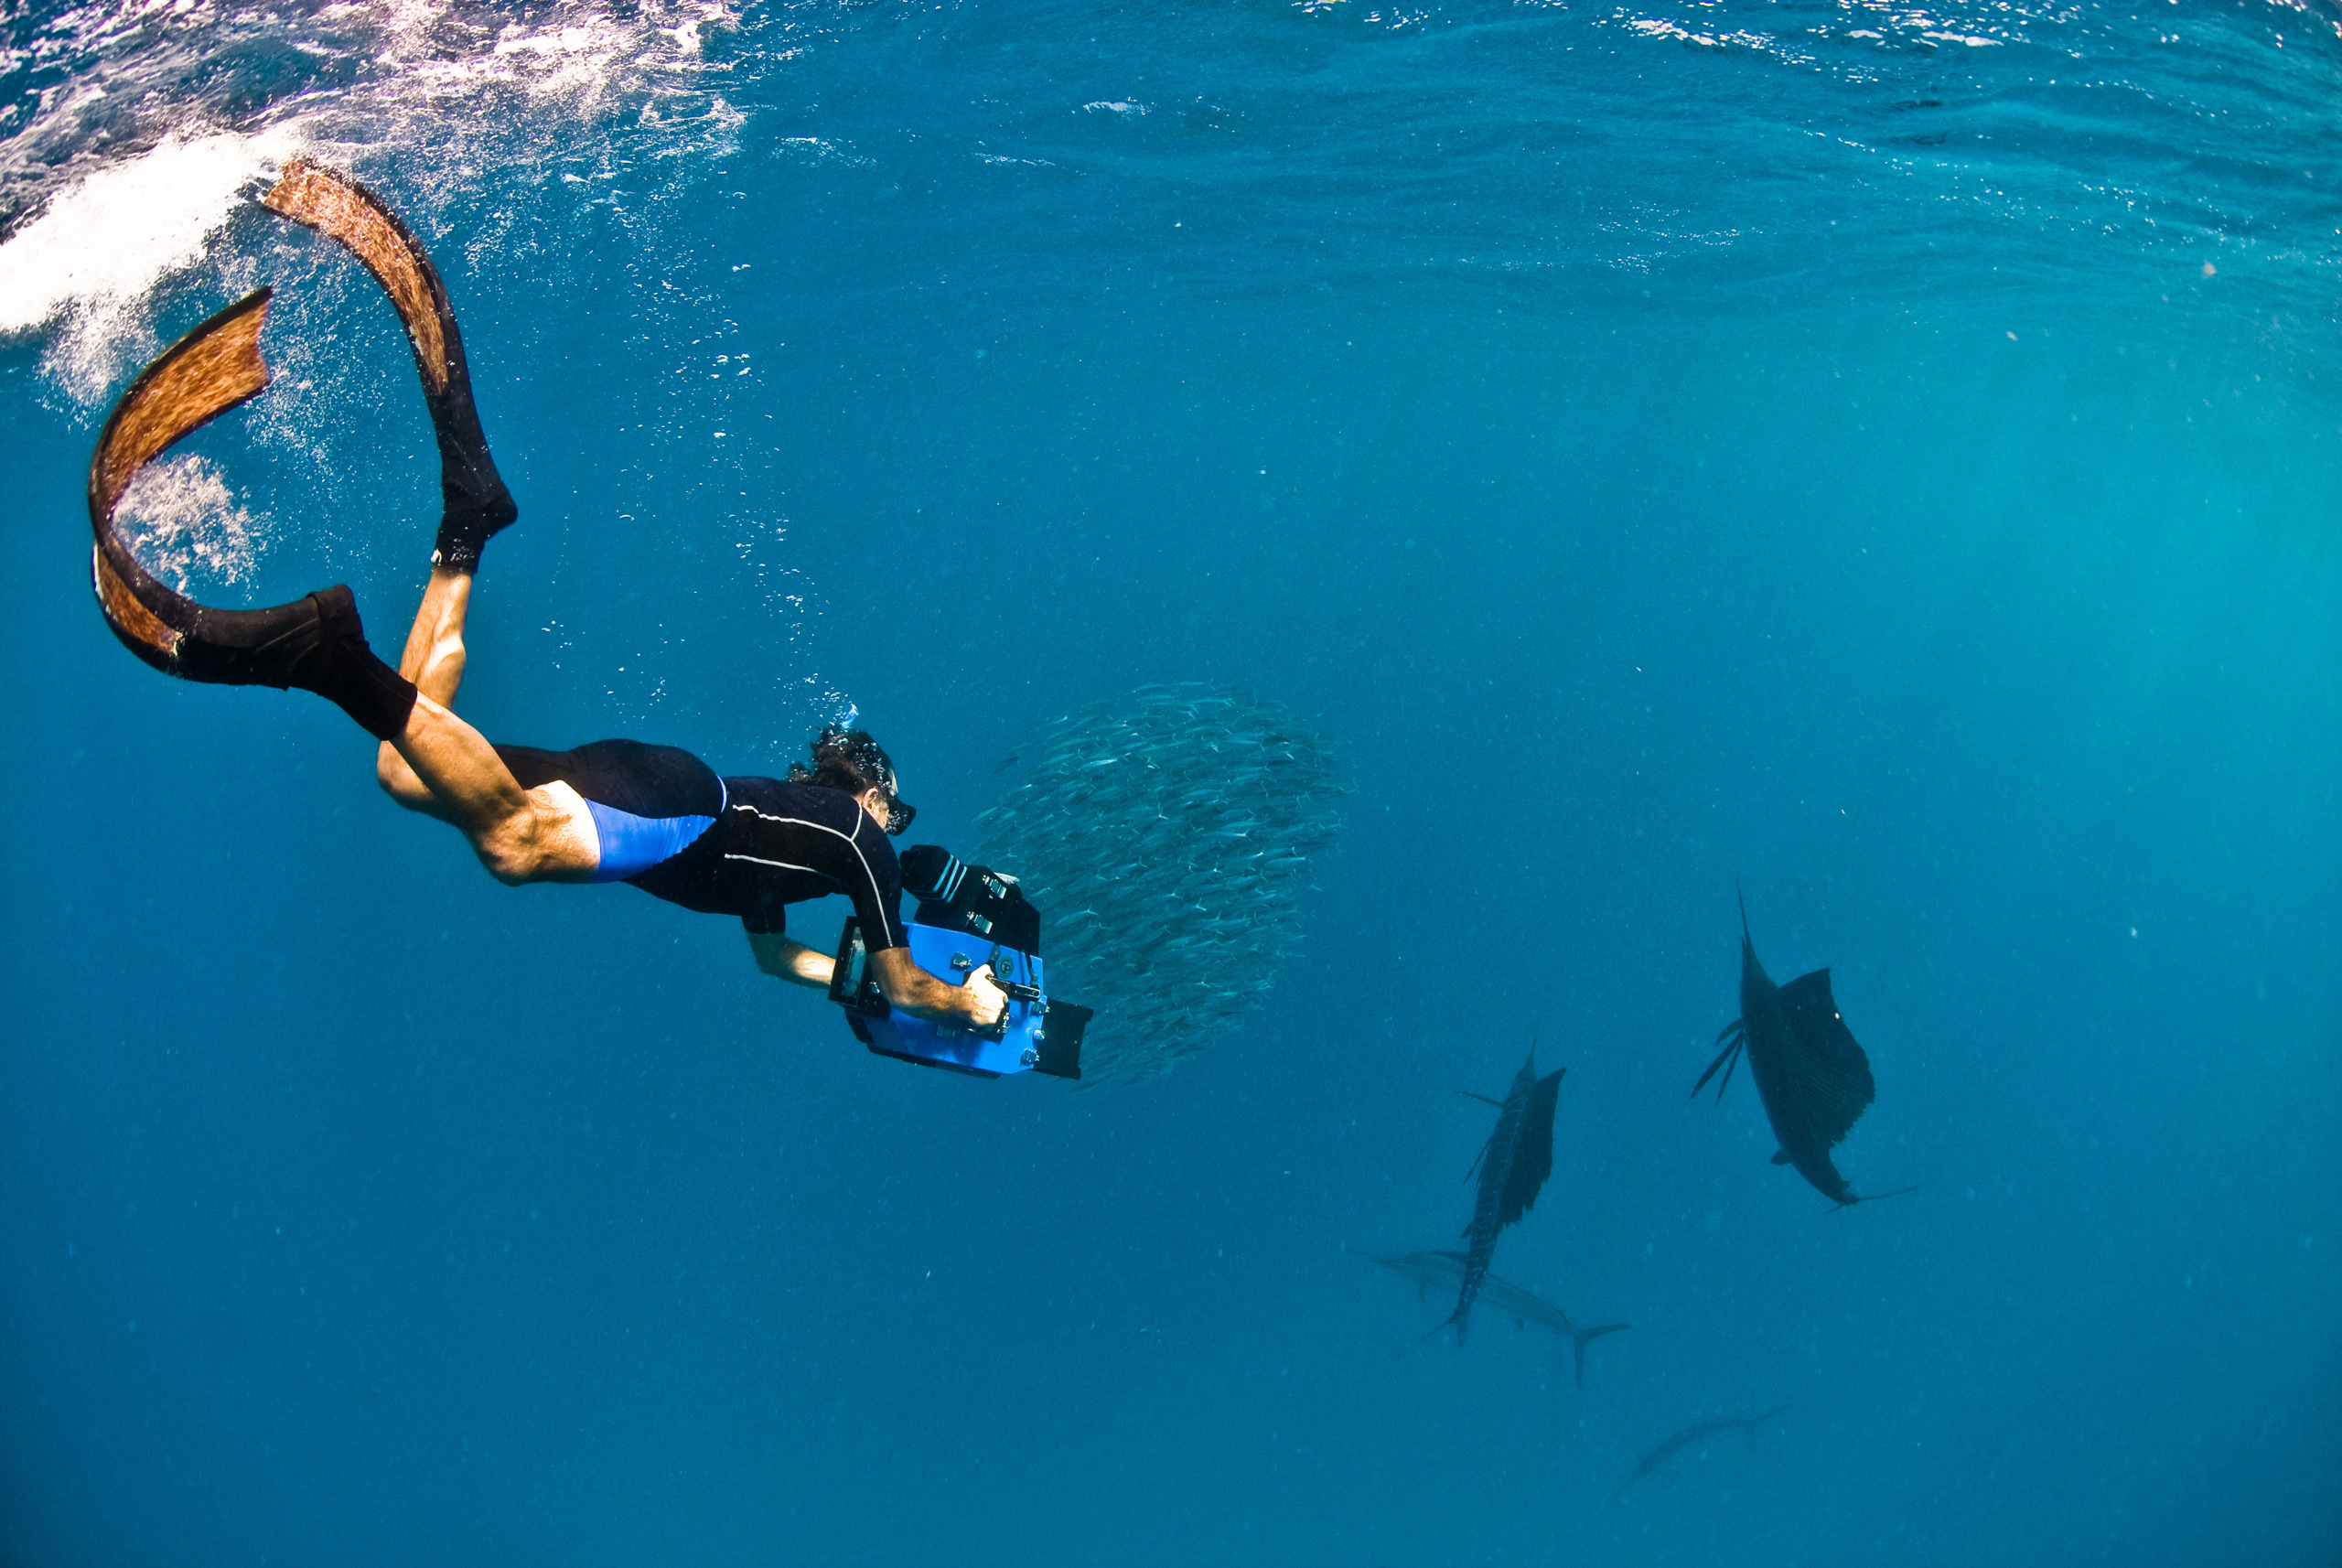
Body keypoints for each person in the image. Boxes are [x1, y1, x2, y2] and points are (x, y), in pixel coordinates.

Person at [83, 157, 1003, 1033]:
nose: (897, 827)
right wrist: (973, 1002)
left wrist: (850, 983)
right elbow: (906, 986)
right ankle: (325, 658)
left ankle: (466, 526)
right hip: (670, 807)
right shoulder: (859, 841)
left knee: (407, 767)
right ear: (871, 797)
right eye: (899, 812)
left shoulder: (796, 861)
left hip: (654, 786)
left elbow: (777, 965)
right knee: (513, 845)